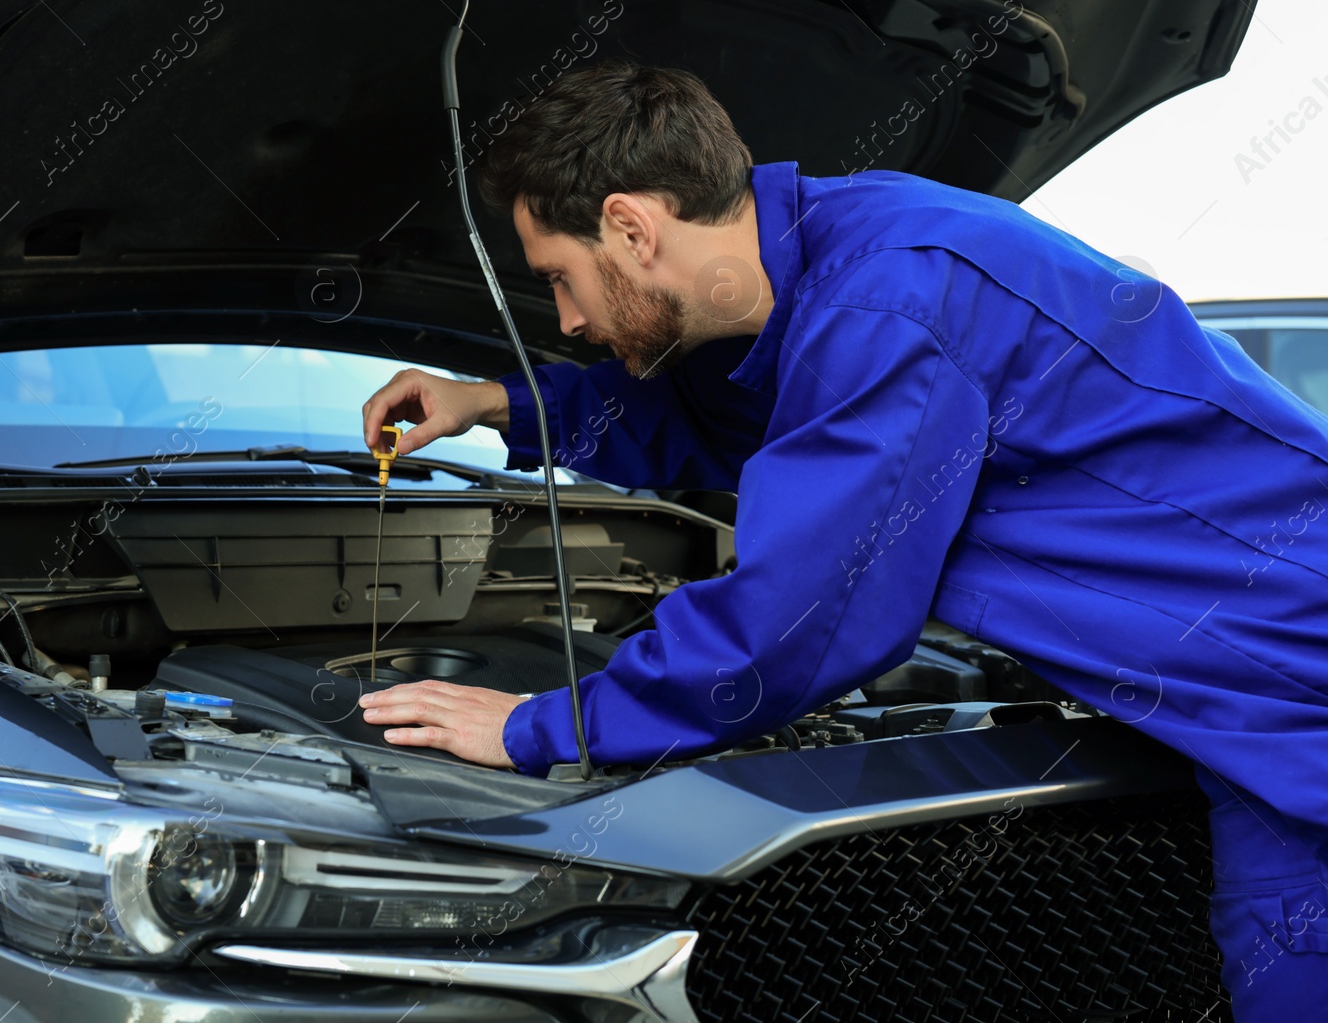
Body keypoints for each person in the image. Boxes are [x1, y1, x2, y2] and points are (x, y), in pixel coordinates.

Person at [356, 60, 1328, 1015]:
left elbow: (800, 616)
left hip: (1291, 659)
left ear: (629, 226)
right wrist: (493, 400)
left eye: (560, 280)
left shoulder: (887, 299)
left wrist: (540, 724)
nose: (564, 319)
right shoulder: (823, 270)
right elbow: (710, 418)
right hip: (1230, 694)